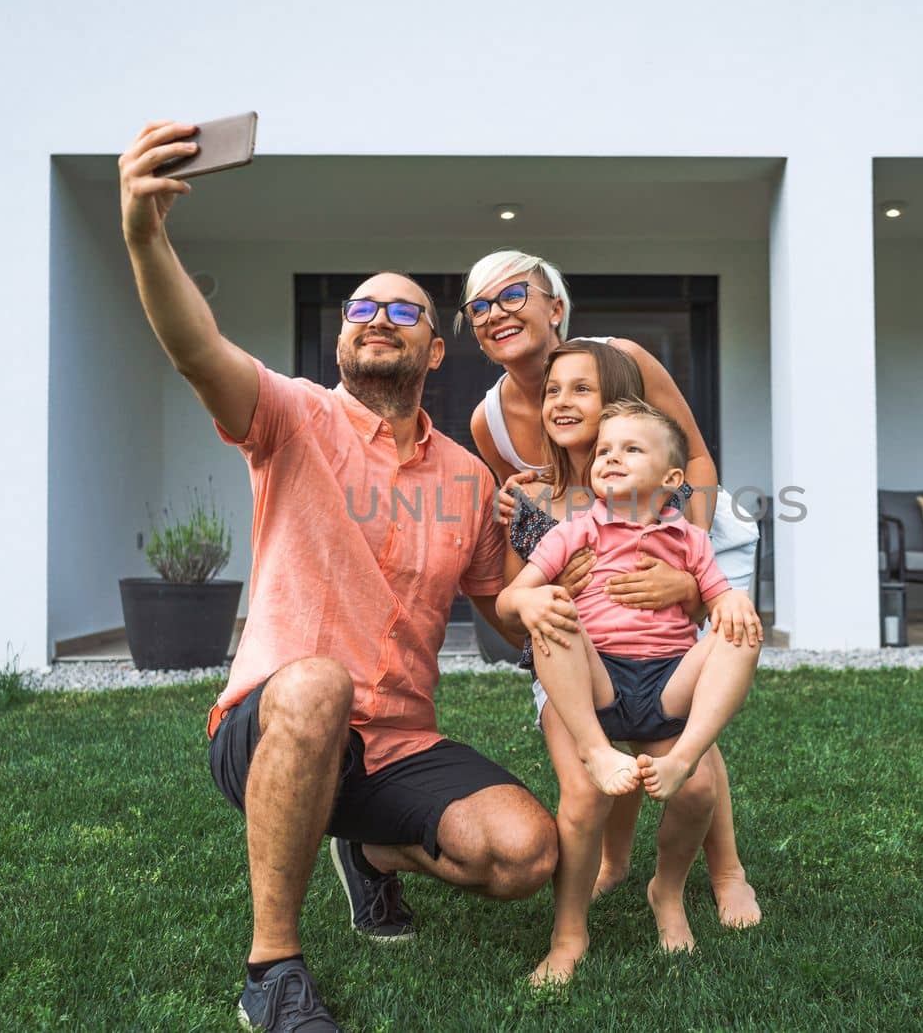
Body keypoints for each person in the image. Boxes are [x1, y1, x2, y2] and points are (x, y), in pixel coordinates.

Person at [118, 121, 557, 1032]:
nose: (381, 319)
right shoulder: (291, 418)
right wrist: (144, 234)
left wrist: (546, 561)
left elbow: (508, 620)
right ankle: (272, 970)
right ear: (342, 345)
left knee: (525, 852)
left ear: (436, 351)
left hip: (396, 744)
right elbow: (196, 347)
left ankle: (371, 852)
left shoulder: (470, 478)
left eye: (404, 311)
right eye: (363, 309)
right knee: (319, 680)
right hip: (275, 722)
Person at [462, 250, 763, 930]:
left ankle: (725, 868)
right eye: (478, 305)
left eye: (512, 294)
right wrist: (547, 576)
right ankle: (614, 861)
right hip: (578, 625)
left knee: (694, 728)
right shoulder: (494, 427)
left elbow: (694, 460)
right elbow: (526, 562)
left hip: (661, 562)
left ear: (554, 307)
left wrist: (684, 570)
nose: (496, 312)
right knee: (599, 755)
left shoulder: (620, 360)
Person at [496, 396, 762, 984]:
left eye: (630, 449)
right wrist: (531, 598)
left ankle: (666, 888)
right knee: (552, 613)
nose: (610, 458)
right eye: (605, 450)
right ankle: (569, 934)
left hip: (668, 683)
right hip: (595, 681)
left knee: (740, 634)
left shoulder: (690, 543)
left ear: (672, 480)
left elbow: (715, 607)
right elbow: (509, 601)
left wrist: (732, 599)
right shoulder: (574, 530)